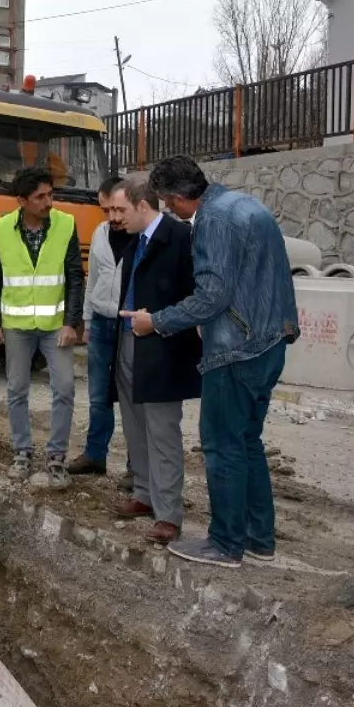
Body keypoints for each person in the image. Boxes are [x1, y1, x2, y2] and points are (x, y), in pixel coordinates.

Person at [122, 156, 298, 569]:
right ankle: (259, 537)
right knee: (247, 442)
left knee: (221, 446)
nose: (169, 211)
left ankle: (225, 543)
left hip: (236, 350)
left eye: (167, 203)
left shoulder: (213, 221)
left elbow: (211, 298)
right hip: (270, 342)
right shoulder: (245, 205)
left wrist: (157, 321)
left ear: (176, 197)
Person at [106, 177, 201, 544]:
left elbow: (195, 297)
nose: (115, 218)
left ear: (143, 206)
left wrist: (159, 322)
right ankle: (144, 495)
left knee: (162, 432)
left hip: (163, 347)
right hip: (129, 342)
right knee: (134, 426)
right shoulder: (134, 240)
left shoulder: (180, 239)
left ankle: (168, 514)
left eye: (121, 210)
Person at [0, 167, 84, 487]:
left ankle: (56, 458)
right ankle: (22, 453)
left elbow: (74, 277)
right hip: (17, 326)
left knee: (65, 389)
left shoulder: (66, 224)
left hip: (56, 326)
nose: (49, 202)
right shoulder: (1, 228)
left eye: (50, 194)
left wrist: (72, 323)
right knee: (16, 390)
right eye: (40, 197)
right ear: (22, 200)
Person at [69, 176, 135, 490]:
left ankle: (137, 468)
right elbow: (91, 278)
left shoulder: (141, 236)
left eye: (117, 209)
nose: (112, 216)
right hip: (102, 323)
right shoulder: (99, 233)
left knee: (134, 397)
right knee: (98, 396)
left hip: (131, 326)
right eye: (107, 209)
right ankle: (95, 455)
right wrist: (85, 318)